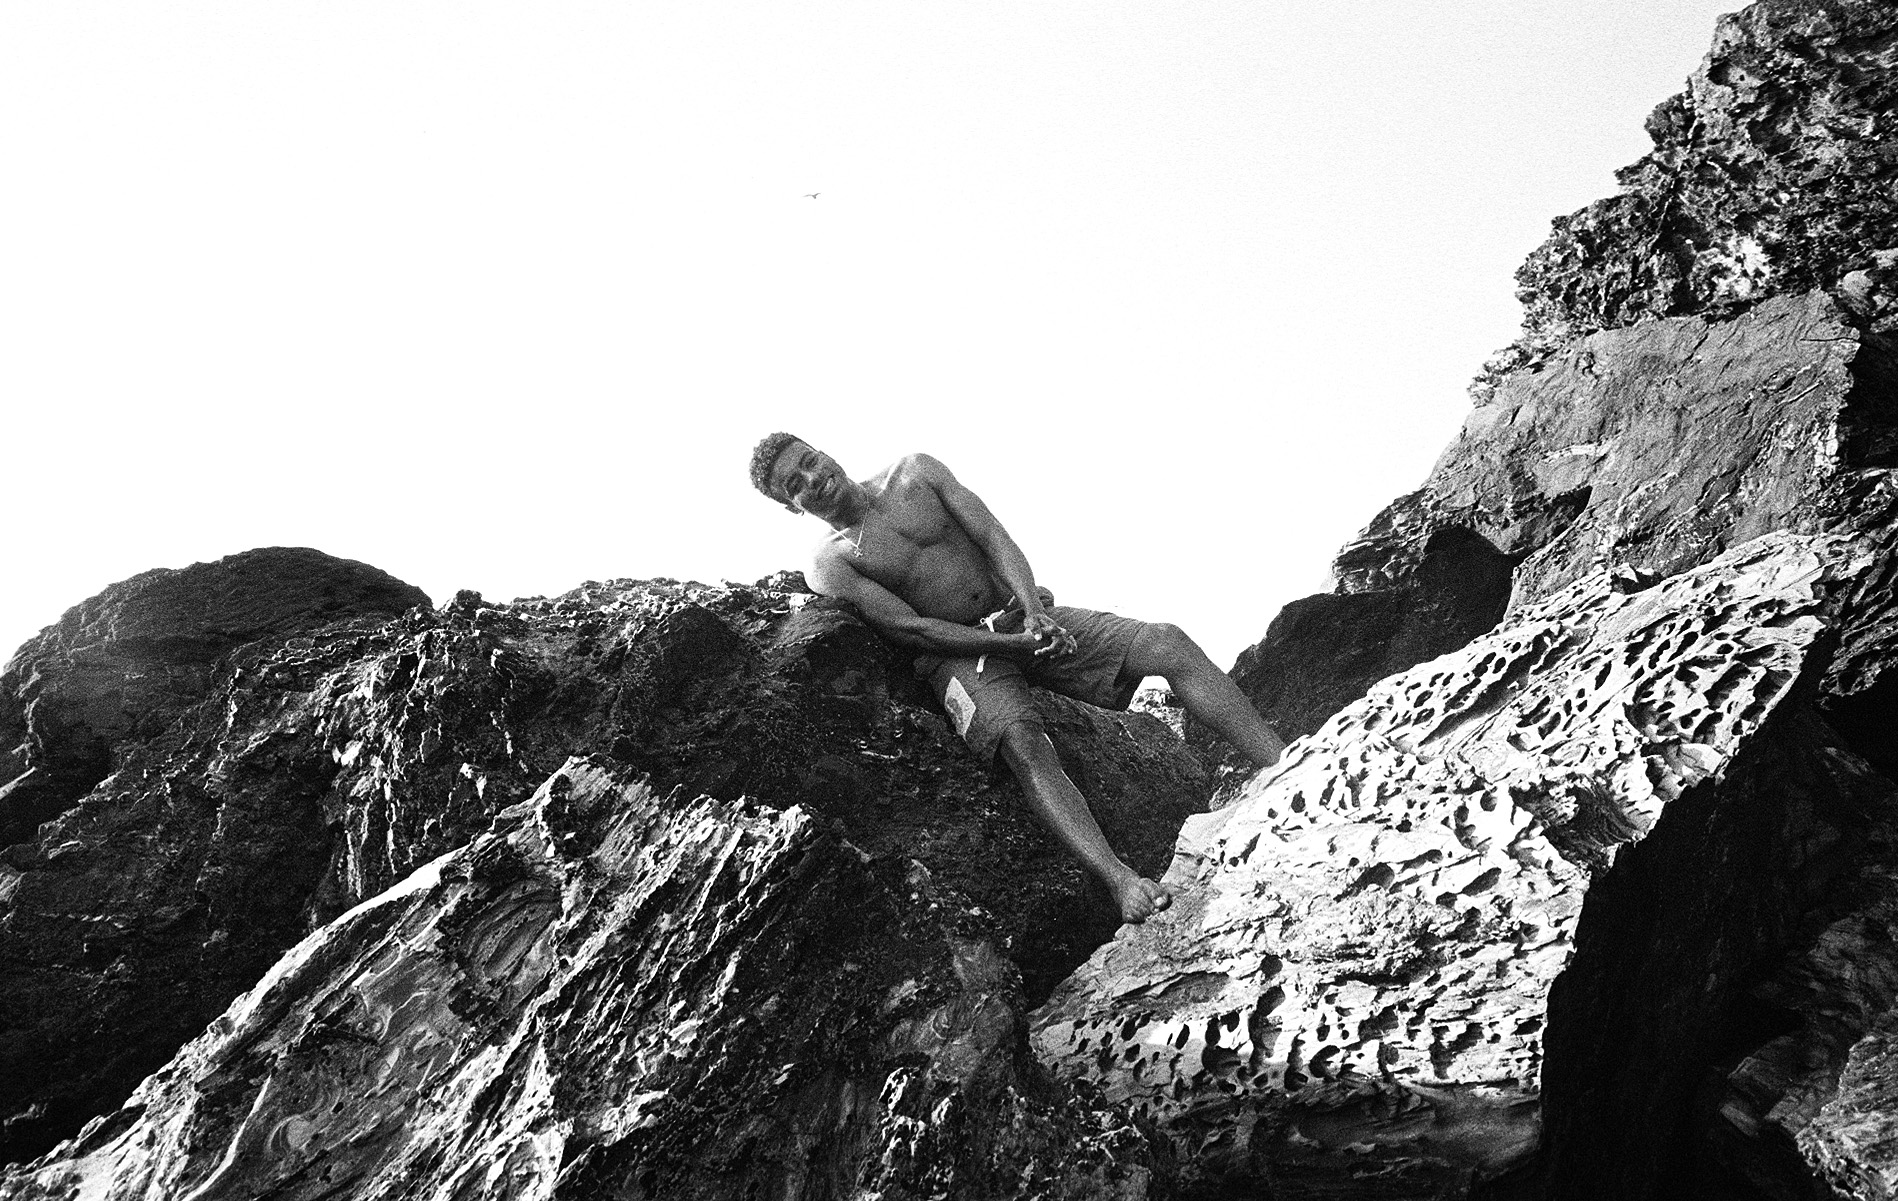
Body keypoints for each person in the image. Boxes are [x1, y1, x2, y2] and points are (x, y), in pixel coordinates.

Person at [748, 432, 1287, 923]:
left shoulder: (914, 471)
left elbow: (993, 538)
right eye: (796, 486)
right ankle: (1122, 883)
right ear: (792, 508)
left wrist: (1033, 613)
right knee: (1024, 743)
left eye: (809, 463)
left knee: (1163, 641)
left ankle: (1282, 762)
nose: (814, 480)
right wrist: (1005, 645)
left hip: (1018, 614)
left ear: (823, 450)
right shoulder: (830, 563)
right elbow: (911, 629)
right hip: (955, 658)